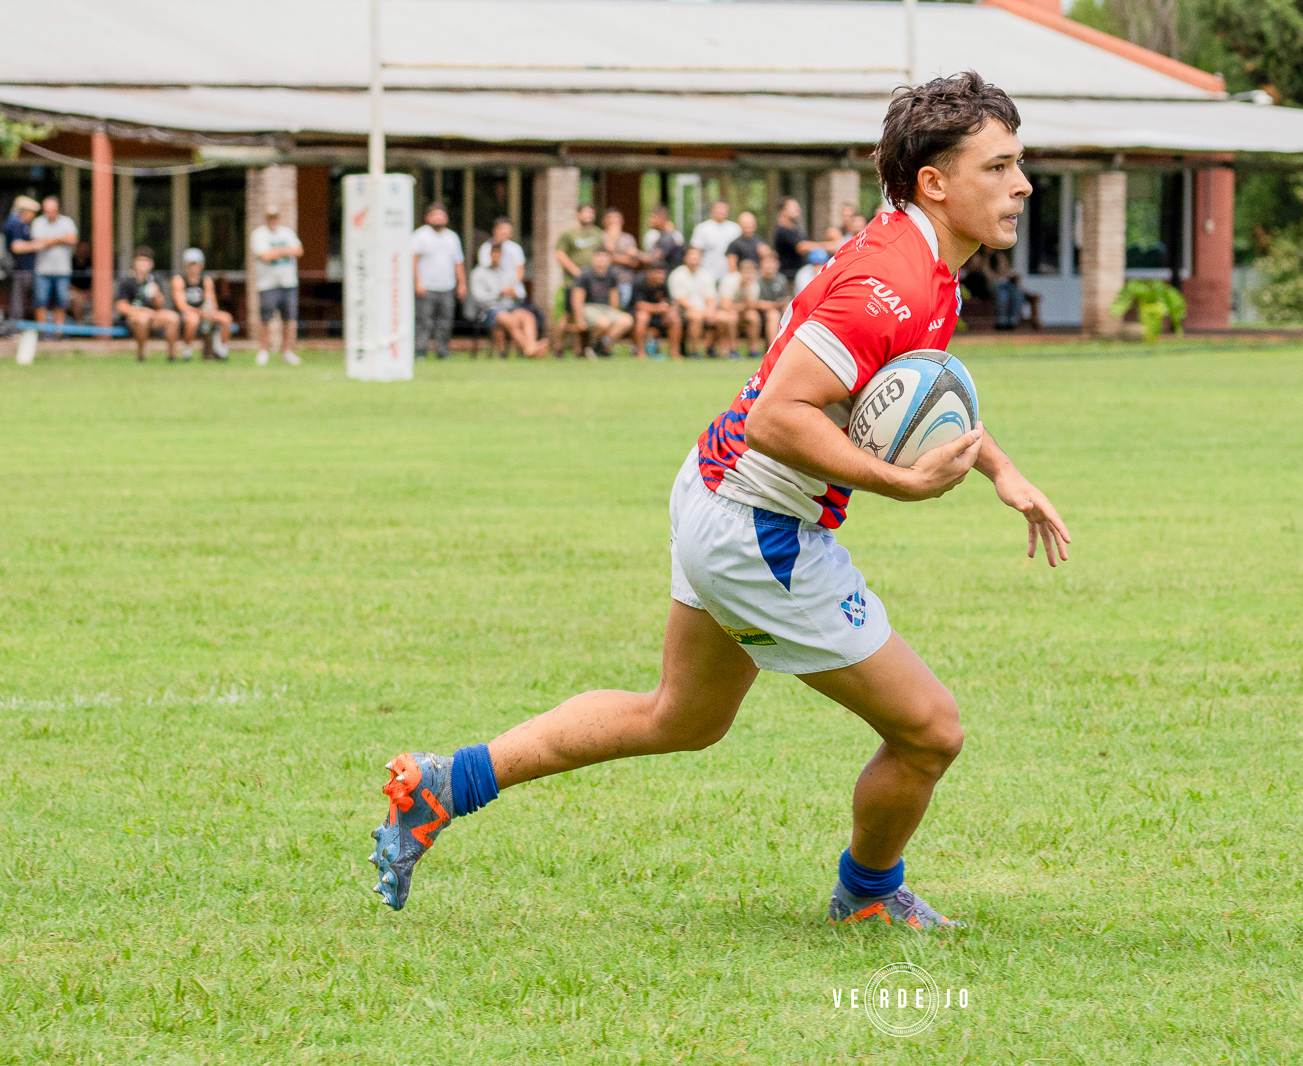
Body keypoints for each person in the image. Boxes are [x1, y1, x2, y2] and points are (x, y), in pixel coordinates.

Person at [367, 71, 1072, 931]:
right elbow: (782, 414)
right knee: (931, 730)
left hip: (714, 491)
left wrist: (998, 467)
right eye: (999, 167)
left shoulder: (920, 259)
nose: (1021, 184)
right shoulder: (892, 281)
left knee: (682, 716)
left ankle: (447, 783)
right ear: (936, 182)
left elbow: (910, 387)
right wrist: (902, 482)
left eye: (1018, 163)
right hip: (761, 527)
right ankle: (869, 896)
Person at [471, 218, 547, 357]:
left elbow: (517, 287)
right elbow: (480, 299)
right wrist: (500, 293)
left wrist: (514, 294)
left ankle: (531, 347)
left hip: (509, 306)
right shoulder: (478, 273)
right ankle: (530, 349)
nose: (496, 256)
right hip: (490, 309)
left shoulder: (506, 270)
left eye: (499, 254)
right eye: (493, 253)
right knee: (509, 319)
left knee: (527, 316)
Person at [411, 202, 467, 359]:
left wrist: (461, 283)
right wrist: (417, 282)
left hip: (447, 286)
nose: (439, 218)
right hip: (426, 286)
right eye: (435, 215)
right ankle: (420, 351)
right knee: (424, 321)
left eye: (441, 215)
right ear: (427, 218)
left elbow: (458, 262)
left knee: (445, 322)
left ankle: (443, 352)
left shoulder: (452, 237)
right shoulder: (420, 236)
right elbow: (413, 260)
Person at [250, 204, 303, 366]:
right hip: (267, 284)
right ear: (266, 219)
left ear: (278, 219)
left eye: (275, 217)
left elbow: (299, 251)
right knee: (265, 318)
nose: (273, 220)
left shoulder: (287, 232)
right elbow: (265, 255)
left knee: (289, 318)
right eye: (270, 218)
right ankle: (263, 351)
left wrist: (276, 252)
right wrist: (285, 250)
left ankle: (286, 351)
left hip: (288, 282)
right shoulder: (259, 234)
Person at [115, 247, 179, 362]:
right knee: (142, 318)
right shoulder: (127, 282)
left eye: (146, 261)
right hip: (134, 318)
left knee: (173, 317)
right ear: (134, 262)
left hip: (152, 315)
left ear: (151, 264)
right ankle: (141, 355)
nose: (143, 264)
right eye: (140, 260)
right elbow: (121, 306)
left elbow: (159, 306)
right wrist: (140, 311)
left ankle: (171, 356)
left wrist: (157, 295)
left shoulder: (154, 280)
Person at [668, 243, 732, 357]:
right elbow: (681, 300)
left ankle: (711, 348)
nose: (694, 259)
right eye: (691, 256)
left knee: (725, 318)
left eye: (697, 257)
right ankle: (694, 351)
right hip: (684, 310)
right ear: (685, 258)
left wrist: (711, 311)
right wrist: (701, 311)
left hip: (705, 310)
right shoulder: (678, 274)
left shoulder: (706, 274)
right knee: (696, 317)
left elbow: (711, 297)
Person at [571, 247, 635, 357]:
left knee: (627, 320)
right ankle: (596, 347)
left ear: (610, 259)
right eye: (599, 256)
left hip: (606, 309)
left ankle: (600, 346)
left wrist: (614, 313)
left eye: (604, 257)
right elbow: (577, 298)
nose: (601, 259)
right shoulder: (585, 274)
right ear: (593, 258)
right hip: (589, 307)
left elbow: (614, 297)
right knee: (603, 323)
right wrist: (579, 319)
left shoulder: (612, 275)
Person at [170, 248, 232, 360]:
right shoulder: (179, 280)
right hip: (186, 313)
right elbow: (181, 305)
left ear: (201, 265)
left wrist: (208, 311)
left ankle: (222, 350)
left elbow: (211, 300)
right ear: (185, 265)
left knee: (226, 318)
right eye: (190, 264)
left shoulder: (206, 280)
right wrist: (199, 312)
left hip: (203, 312)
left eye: (196, 264)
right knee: (193, 319)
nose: (193, 268)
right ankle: (187, 350)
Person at [30, 194, 77, 336]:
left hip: (63, 270)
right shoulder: (38, 222)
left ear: (58, 210)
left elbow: (72, 239)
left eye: (51, 210)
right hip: (42, 270)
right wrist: (61, 239)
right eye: (46, 210)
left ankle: (59, 334)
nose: (48, 213)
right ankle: (42, 334)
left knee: (61, 303)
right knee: (40, 302)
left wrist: (49, 241)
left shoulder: (67, 222)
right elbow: (38, 243)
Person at [771, 197, 832, 279]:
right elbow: (802, 247)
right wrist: (827, 246)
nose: (798, 209)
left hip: (800, 275)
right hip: (789, 278)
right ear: (783, 211)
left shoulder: (795, 229)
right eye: (794, 207)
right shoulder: (782, 230)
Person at [750, 243, 794, 348]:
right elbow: (754, 303)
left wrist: (784, 306)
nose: (769, 266)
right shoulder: (755, 279)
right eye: (767, 263)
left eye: (772, 263)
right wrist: (774, 305)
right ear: (761, 264)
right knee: (772, 315)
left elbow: (786, 298)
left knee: (787, 313)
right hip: (757, 311)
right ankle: (772, 348)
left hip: (776, 309)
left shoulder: (781, 279)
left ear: (777, 265)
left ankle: (787, 347)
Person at [631, 262, 677, 358]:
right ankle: (640, 353)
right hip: (636, 314)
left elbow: (668, 303)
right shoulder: (639, 282)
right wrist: (658, 308)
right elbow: (639, 305)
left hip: (657, 315)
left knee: (674, 316)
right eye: (657, 273)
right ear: (649, 273)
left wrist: (667, 310)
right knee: (642, 316)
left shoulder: (663, 284)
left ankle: (674, 353)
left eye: (662, 274)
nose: (660, 276)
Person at [6, 195, 39, 321]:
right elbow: (16, 247)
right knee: (17, 299)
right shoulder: (16, 223)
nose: (33, 216)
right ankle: (15, 326)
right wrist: (38, 244)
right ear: (25, 211)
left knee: (21, 299)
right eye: (32, 212)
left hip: (24, 267)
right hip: (17, 268)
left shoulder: (21, 224)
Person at [554, 204, 604, 285]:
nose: (588, 215)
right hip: (573, 281)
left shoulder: (597, 233)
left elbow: (604, 253)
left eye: (591, 213)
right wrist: (576, 272)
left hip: (594, 281)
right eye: (586, 212)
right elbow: (560, 254)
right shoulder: (569, 233)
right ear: (578, 214)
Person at [690, 200, 739, 283]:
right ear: (712, 210)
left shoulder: (735, 229)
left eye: (724, 209)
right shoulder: (702, 229)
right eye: (719, 208)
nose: (721, 211)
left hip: (729, 275)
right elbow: (696, 252)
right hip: (707, 275)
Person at [641, 204, 685, 271]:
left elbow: (654, 258)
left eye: (653, 217)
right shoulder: (650, 235)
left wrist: (635, 254)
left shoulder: (673, 236)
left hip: (671, 273)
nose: (650, 220)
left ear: (662, 218)